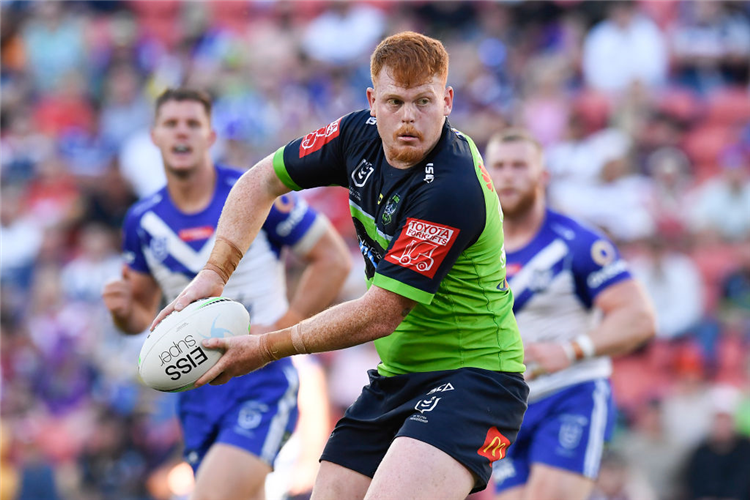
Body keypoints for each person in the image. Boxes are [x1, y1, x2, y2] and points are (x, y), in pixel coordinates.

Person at [152, 32, 529, 500]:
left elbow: (380, 313)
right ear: (372, 101)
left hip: (476, 378)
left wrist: (266, 347)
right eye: (395, 101)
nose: (408, 117)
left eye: (423, 102)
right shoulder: (354, 135)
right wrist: (214, 273)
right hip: (398, 377)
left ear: (448, 101)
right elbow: (259, 181)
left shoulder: (451, 190)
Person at [102, 88, 351, 500]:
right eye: (171, 124)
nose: (182, 133)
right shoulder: (142, 220)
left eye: (193, 124)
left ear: (210, 136)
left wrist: (278, 333)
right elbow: (140, 317)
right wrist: (120, 311)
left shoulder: (253, 192)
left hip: (262, 380)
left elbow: (334, 261)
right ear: (154, 136)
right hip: (196, 390)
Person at [484, 129, 656, 500]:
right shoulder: (475, 249)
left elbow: (639, 317)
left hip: (570, 394)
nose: (508, 175)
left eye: (519, 165)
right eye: (499, 166)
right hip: (507, 406)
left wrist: (573, 349)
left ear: (542, 176)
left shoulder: (578, 242)